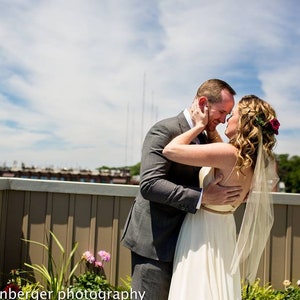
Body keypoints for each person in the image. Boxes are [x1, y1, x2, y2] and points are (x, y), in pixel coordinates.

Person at [121, 79, 243, 300]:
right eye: (222, 112)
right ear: (203, 103)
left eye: (228, 114)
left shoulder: (206, 138)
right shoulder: (164, 130)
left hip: (190, 245)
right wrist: (203, 197)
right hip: (156, 242)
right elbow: (150, 184)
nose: (224, 120)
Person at [163, 94, 280, 300]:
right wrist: (212, 131)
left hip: (202, 232)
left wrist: (199, 126)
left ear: (243, 121)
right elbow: (222, 156)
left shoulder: (228, 154)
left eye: (232, 114)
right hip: (223, 231)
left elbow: (170, 150)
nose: (226, 119)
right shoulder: (250, 163)